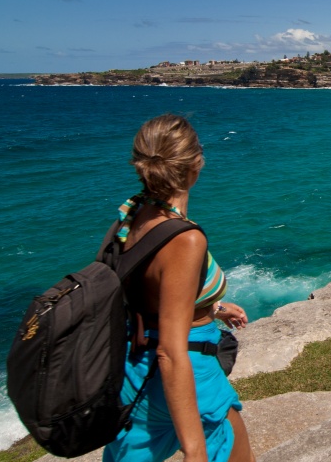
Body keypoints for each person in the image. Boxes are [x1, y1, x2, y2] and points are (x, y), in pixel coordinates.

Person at [103, 114, 254, 462]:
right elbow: (171, 352)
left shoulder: (127, 220)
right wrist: (194, 449)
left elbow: (147, 295)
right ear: (195, 164)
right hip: (189, 374)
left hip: (134, 375)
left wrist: (213, 308)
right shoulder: (185, 239)